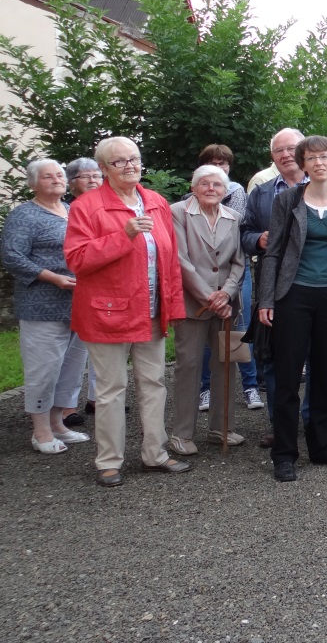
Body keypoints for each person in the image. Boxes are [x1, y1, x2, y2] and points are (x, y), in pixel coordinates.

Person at [64, 136, 190, 488]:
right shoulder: (86, 207)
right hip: (106, 314)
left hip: (150, 310)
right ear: (103, 169)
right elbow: (77, 260)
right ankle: (108, 461)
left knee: (154, 383)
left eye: (134, 159)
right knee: (111, 389)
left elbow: (170, 261)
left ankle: (155, 454)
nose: (130, 166)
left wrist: (174, 305)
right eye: (119, 162)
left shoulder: (156, 202)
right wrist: (124, 235)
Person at [257, 135, 327, 482]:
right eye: (312, 157)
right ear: (302, 164)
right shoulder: (287, 199)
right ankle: (285, 454)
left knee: (325, 374)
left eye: (325, 157)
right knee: (288, 377)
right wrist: (267, 299)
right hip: (294, 295)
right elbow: (272, 252)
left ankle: (322, 447)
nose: (319, 162)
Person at [1, 159, 90, 454]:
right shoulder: (24, 215)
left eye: (60, 176)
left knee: (71, 367)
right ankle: (40, 432)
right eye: (48, 176)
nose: (56, 180)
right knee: (45, 368)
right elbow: (12, 256)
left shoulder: (73, 210)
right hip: (43, 305)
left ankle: (58, 424)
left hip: (79, 304)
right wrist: (52, 278)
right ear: (33, 183)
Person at [169, 165, 246, 455]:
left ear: (226, 191)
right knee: (188, 366)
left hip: (226, 306)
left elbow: (239, 262)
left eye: (217, 184)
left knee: (226, 364)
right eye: (204, 183)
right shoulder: (178, 212)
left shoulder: (234, 217)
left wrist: (226, 294)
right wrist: (208, 296)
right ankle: (182, 434)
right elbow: (179, 258)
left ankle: (221, 428)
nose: (211, 188)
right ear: (193, 187)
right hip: (192, 305)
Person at [240, 127, 307, 447]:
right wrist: (258, 240)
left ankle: (310, 419)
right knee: (275, 359)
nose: (284, 155)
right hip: (276, 287)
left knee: (318, 357)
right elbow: (245, 234)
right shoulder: (262, 193)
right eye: (278, 151)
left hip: (318, 284)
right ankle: (281, 424)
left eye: (290, 148)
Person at [196, 144, 262, 413]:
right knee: (207, 328)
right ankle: (205, 388)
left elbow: (235, 236)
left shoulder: (237, 193)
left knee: (241, 326)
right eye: (213, 162)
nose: (220, 167)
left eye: (224, 163)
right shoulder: (194, 195)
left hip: (237, 270)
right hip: (203, 275)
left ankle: (250, 386)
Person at [62, 156, 103, 422]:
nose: (92, 180)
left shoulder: (106, 206)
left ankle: (97, 399)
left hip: (103, 286)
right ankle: (67, 405)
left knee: (104, 347)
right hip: (69, 285)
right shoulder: (66, 209)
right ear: (71, 183)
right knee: (74, 349)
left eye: (97, 175)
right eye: (85, 176)